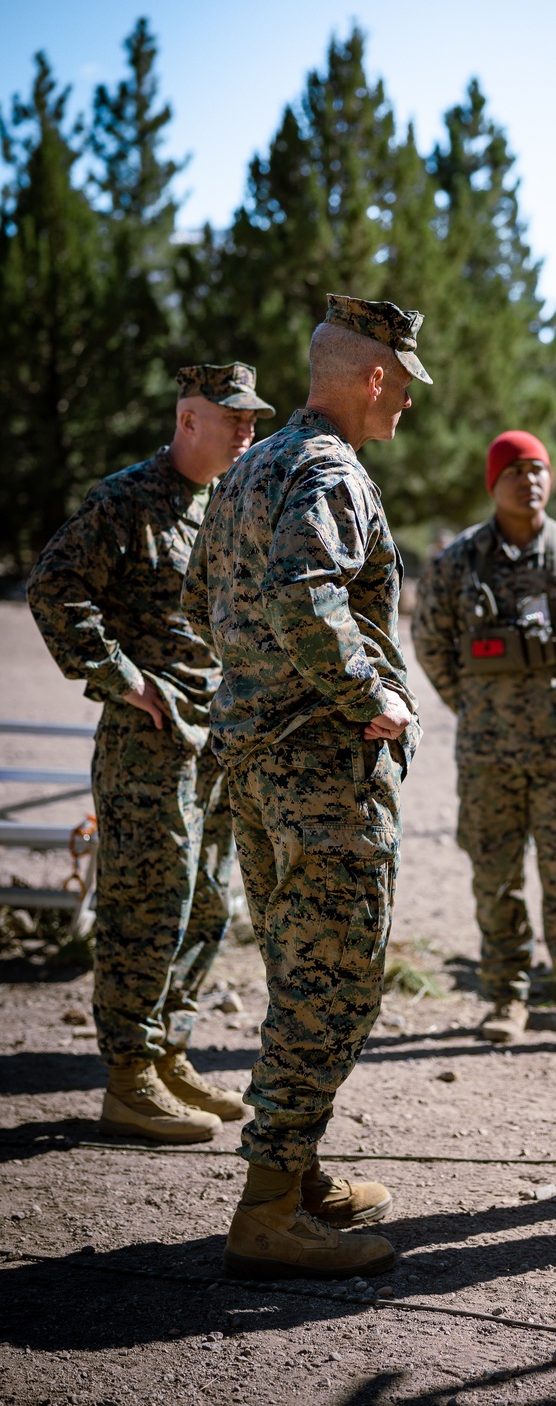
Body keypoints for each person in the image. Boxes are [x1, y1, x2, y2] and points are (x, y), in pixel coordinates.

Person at [182, 294, 427, 1281]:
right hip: (322, 772)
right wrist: (372, 695)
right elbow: (303, 592)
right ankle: (269, 1208)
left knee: (300, 970)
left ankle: (299, 1163)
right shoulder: (329, 469)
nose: (407, 405)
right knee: (335, 982)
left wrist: (261, 692)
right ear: (373, 378)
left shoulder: (250, 467)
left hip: (253, 764)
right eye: (404, 386)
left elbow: (206, 596)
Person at [27, 363, 275, 1143]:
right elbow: (54, 587)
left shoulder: (228, 503)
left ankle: (168, 1049)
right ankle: (128, 1075)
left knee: (207, 900)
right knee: (148, 900)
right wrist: (125, 679)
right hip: (149, 739)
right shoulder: (126, 498)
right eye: (231, 419)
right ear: (187, 418)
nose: (247, 432)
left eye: (252, 419)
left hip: (217, 736)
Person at [413, 430, 556, 1055]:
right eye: (515, 470)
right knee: (495, 879)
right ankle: (506, 997)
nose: (529, 480)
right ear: (493, 482)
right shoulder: (457, 564)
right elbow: (431, 644)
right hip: (487, 757)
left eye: (538, 469)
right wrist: (473, 706)